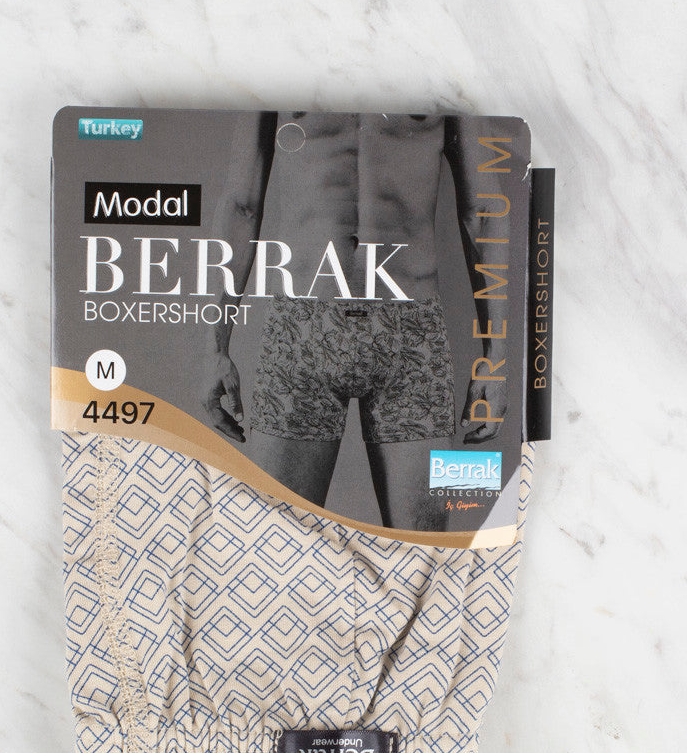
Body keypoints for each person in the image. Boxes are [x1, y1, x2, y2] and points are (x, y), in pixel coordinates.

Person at [201, 111, 509, 532]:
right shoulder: (272, 71)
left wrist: (497, 357)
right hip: (301, 328)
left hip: (412, 333)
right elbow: (241, 204)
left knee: (422, 557)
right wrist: (214, 348)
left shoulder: (449, 74)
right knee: (274, 545)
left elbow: (484, 209)